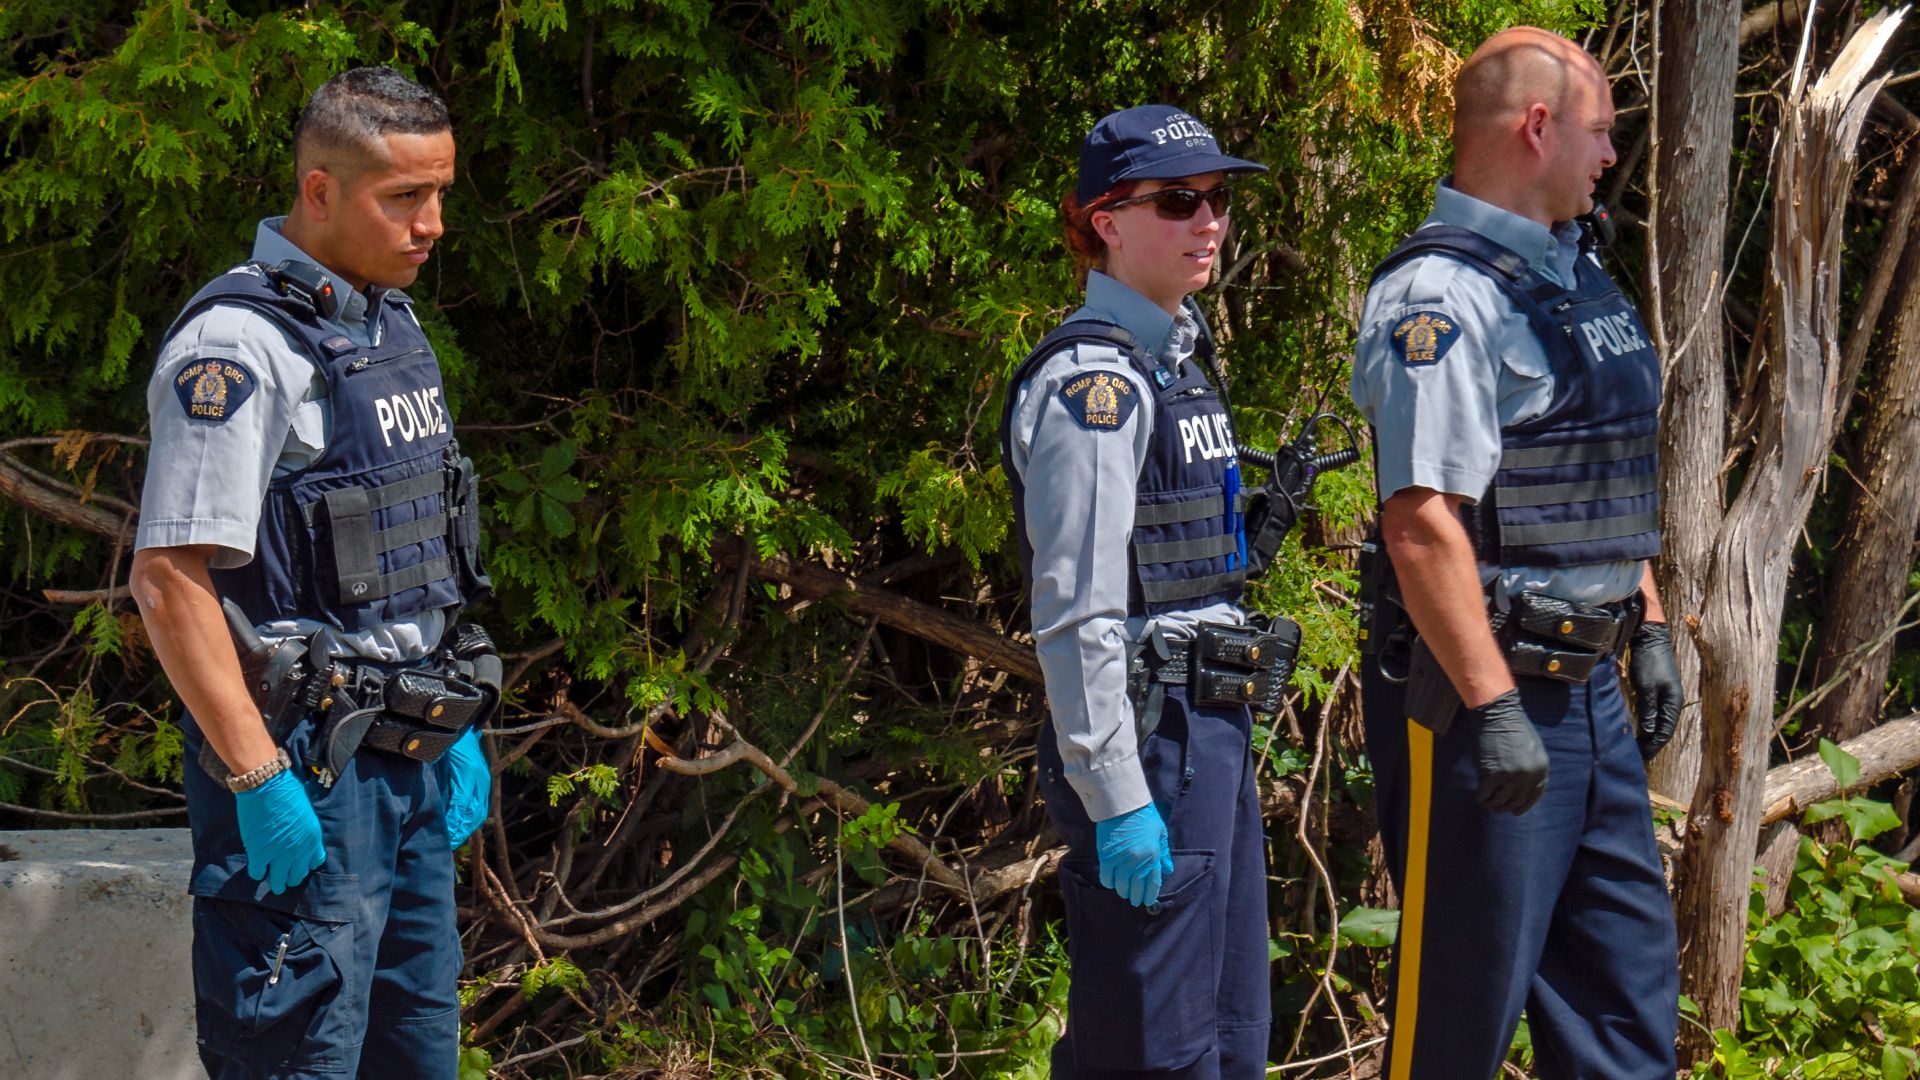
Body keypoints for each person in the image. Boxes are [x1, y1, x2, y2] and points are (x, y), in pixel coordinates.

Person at [130, 66, 498, 1080]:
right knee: (299, 1061)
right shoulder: (241, 347)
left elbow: (414, 550)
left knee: (414, 1058)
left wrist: (452, 732)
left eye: (440, 195)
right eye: (404, 198)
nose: (430, 224)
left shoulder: (387, 326)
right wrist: (257, 777)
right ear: (320, 190)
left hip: (408, 760)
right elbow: (168, 578)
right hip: (305, 770)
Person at [1349, 27, 1686, 1080]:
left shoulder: (1570, 277)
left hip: (1588, 695)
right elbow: (1420, 523)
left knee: (1626, 1013)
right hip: (1479, 702)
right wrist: (1494, 712)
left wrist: (1653, 627)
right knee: (1457, 1021)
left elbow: (1597, 469)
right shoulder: (1442, 301)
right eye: (1600, 133)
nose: (1610, 157)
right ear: (1536, 127)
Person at [1000, 104, 1286, 1079]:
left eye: (1217, 198)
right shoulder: (1096, 387)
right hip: (1149, 741)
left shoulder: (1176, 367)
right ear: (1106, 222)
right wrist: (1115, 794)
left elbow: (1164, 568)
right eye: (1178, 201)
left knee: (1230, 1040)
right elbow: (1078, 610)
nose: (1209, 220)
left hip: (1209, 733)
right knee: (1151, 1055)